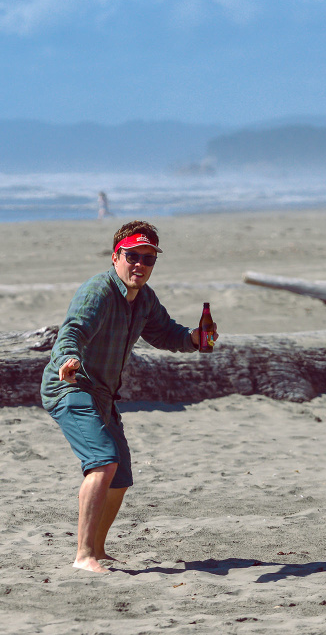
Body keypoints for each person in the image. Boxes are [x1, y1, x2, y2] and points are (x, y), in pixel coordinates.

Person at [41, 220, 218, 573]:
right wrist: (68, 358)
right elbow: (71, 330)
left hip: (103, 394)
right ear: (115, 257)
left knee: (120, 478)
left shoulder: (144, 300)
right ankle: (83, 556)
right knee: (104, 462)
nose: (139, 264)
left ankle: (99, 549)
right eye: (132, 256)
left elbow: (166, 333)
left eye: (148, 259)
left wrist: (195, 339)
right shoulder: (99, 291)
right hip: (72, 386)